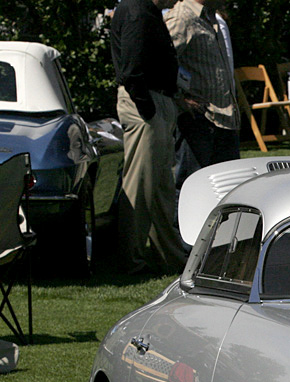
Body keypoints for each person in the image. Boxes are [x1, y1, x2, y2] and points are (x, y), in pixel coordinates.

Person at [111, 0, 189, 273]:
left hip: (153, 102)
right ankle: (130, 260)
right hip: (145, 104)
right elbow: (131, 69)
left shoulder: (146, 11)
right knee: (141, 184)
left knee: (159, 187)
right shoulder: (136, 10)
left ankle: (169, 257)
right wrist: (148, 110)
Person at [164, 0, 240, 179]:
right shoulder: (182, 17)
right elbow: (157, 61)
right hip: (200, 120)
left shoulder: (208, 17)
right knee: (192, 188)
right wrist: (179, 99)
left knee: (229, 189)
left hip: (223, 120)